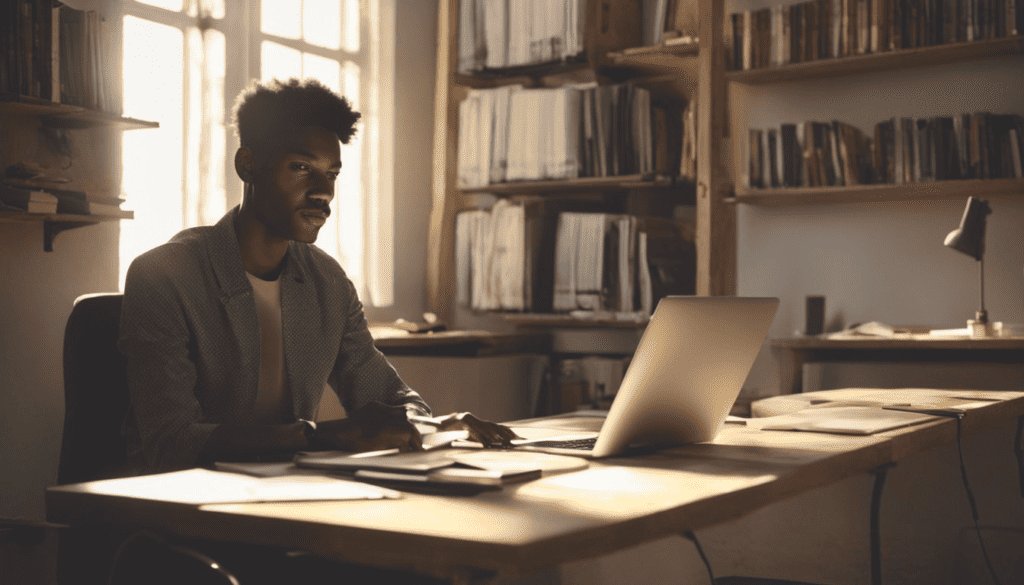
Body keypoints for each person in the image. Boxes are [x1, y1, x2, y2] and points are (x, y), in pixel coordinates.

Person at [118, 77, 519, 476]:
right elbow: (172, 443)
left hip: (286, 502)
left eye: (332, 174)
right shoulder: (164, 276)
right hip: (173, 510)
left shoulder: (327, 283)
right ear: (247, 165)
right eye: (302, 168)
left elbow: (389, 398)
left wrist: (437, 425)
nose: (323, 191)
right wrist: (323, 437)